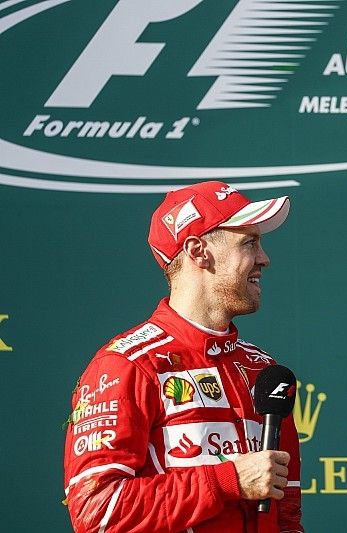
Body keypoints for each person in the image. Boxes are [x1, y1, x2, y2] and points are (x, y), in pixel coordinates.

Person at [63, 181, 303, 533]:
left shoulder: (263, 371)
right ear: (198, 251)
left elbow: (286, 516)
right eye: (249, 242)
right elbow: (97, 511)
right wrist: (227, 479)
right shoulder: (127, 365)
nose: (265, 258)